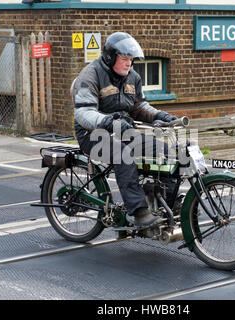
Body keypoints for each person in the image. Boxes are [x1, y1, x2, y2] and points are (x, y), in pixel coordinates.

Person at [71, 32, 178, 228]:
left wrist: (160, 116)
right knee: (123, 155)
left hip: (122, 130)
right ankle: (137, 212)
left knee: (165, 151)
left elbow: (139, 107)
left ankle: (168, 203)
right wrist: (109, 122)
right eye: (124, 59)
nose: (129, 64)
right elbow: (83, 113)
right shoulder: (90, 75)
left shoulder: (133, 77)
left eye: (131, 60)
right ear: (111, 57)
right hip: (92, 134)